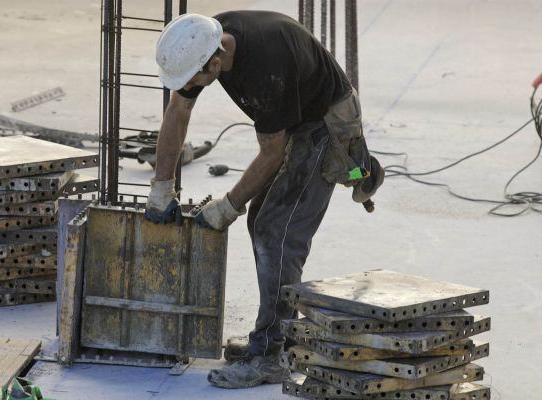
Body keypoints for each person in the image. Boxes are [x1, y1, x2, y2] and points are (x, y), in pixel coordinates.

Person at [145, 10, 383, 389]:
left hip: (324, 125)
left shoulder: (266, 67)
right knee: (263, 221)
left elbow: (273, 151)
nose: (190, 86)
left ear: (217, 62)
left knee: (277, 233)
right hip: (296, 116)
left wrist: (227, 205)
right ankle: (276, 335)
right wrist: (161, 187)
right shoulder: (204, 41)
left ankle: (272, 354)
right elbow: (179, 109)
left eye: (194, 79)